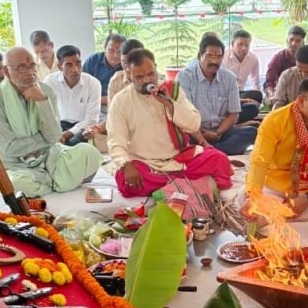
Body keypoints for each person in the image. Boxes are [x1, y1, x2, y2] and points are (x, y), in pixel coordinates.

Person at [106, 49, 233, 197]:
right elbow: (115, 141)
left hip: (178, 159)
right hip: (145, 163)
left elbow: (194, 124)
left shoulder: (171, 90)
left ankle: (170, 186)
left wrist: (170, 104)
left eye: (151, 74)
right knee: (124, 180)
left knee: (219, 160)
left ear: (156, 67)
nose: (147, 80)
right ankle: (189, 184)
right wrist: (126, 164)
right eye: (139, 77)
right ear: (129, 75)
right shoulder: (121, 101)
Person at [0, 47, 102, 196]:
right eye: (22, 68)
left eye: (32, 66)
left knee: (90, 153)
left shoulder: (46, 91)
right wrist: (46, 139)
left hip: (51, 157)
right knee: (13, 184)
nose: (30, 72)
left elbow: (54, 136)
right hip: (18, 166)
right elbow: (10, 148)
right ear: (7, 71)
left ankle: (46, 183)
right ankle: (54, 182)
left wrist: (42, 101)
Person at [245, 77, 308, 221]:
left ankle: (280, 215)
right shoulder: (275, 120)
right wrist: (252, 196)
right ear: (301, 101)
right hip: (276, 187)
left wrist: (307, 198)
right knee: (250, 202)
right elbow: (259, 161)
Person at [177, 35, 258, 156]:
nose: (214, 61)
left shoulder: (229, 78)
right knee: (181, 139)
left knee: (252, 132)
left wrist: (217, 133)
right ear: (200, 56)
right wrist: (202, 140)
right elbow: (185, 116)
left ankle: (207, 153)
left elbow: (233, 114)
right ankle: (215, 151)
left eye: (219, 57)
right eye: (210, 56)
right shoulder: (185, 77)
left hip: (220, 132)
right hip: (195, 132)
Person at [44, 45, 102, 145]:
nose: (75, 69)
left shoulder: (93, 83)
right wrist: (57, 133)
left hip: (81, 128)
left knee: (75, 144)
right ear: (59, 66)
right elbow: (46, 113)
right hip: (58, 126)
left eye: (78, 63)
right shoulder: (50, 81)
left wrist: (67, 134)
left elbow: (92, 120)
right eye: (69, 65)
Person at [264, 25, 306, 99]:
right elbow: (269, 83)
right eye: (291, 40)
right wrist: (272, 95)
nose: (293, 44)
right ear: (286, 41)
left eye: (298, 41)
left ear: (303, 43)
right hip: (283, 94)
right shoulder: (278, 58)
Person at [83, 33, 125, 98]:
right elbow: (83, 88)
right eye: (111, 51)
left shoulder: (128, 64)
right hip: (94, 102)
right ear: (105, 48)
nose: (115, 55)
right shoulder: (92, 61)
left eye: (119, 52)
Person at [223, 29, 261, 96]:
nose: (244, 48)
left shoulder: (253, 59)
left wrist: (259, 98)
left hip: (240, 93)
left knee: (258, 95)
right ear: (232, 44)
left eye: (247, 45)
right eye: (240, 44)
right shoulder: (223, 57)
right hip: (224, 93)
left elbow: (256, 81)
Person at [107, 38, 144, 104]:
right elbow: (111, 108)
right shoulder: (116, 81)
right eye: (124, 62)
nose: (127, 68)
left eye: (132, 62)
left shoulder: (154, 79)